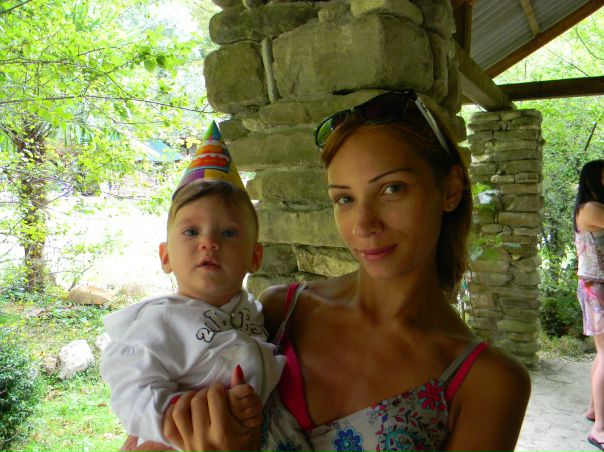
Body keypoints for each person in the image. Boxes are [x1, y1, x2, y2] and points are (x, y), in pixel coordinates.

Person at [144, 89, 532, 452]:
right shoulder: (280, 313)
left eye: (392, 189)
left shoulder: (488, 384)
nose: (363, 225)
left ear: (450, 189)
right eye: (345, 198)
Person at [101, 121, 282, 450]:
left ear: (255, 257)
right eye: (191, 232)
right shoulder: (160, 321)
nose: (209, 242)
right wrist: (177, 417)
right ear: (166, 256)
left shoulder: (253, 311)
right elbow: (130, 387)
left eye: (228, 233)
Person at [573, 160, 604, 451]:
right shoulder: (592, 208)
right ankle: (600, 430)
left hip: (596, 285)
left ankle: (594, 411)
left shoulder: (591, 207)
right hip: (599, 287)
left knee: (602, 354)